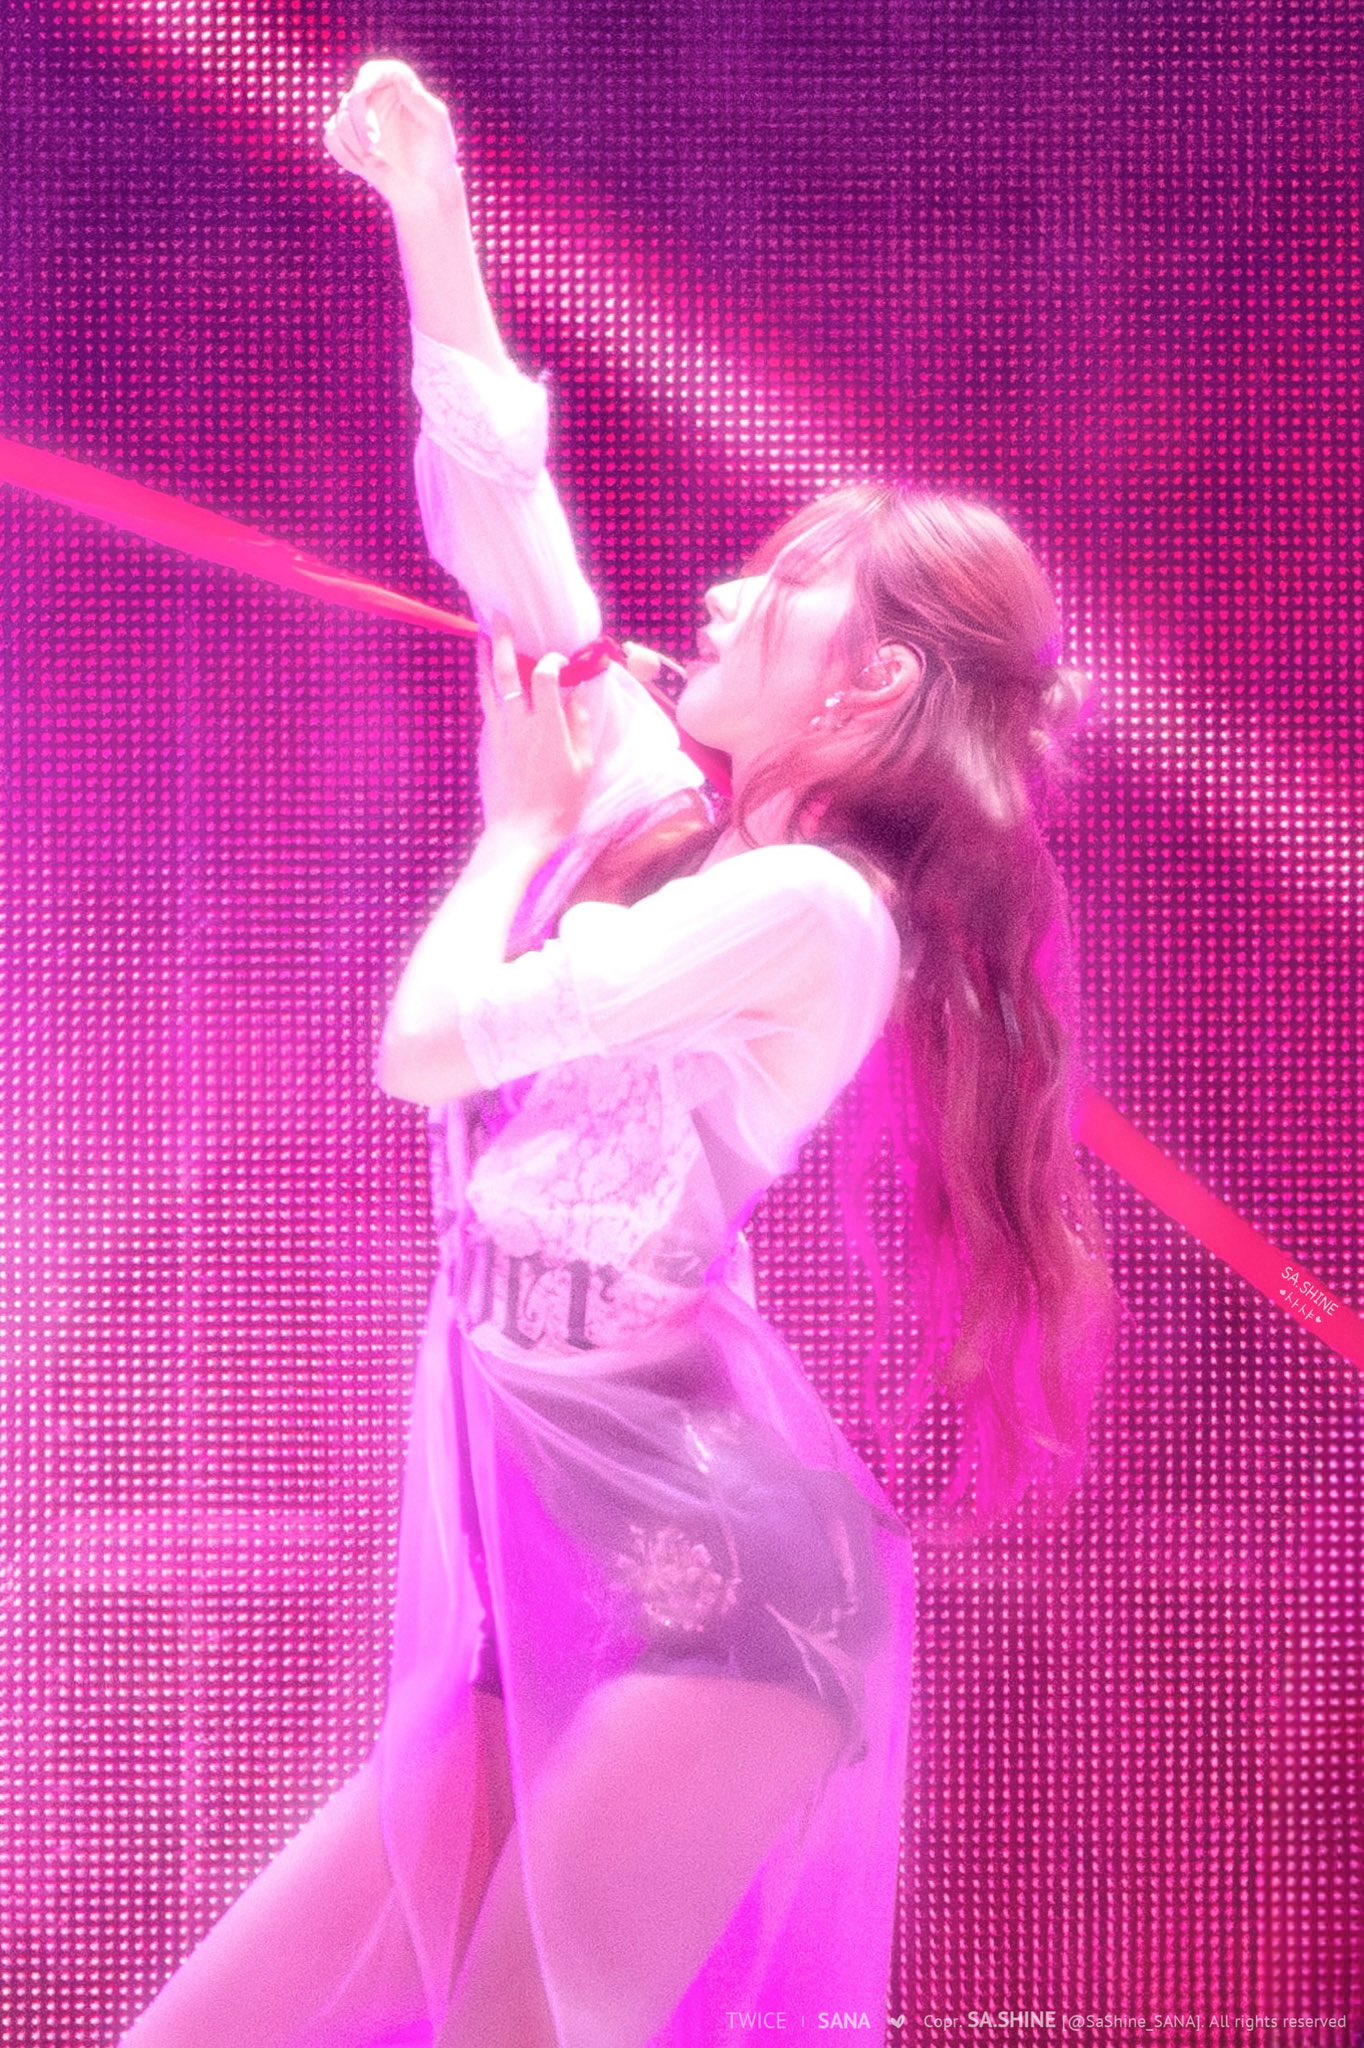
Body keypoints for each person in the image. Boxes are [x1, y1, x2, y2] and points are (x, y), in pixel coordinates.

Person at [119, 58, 1116, 2048]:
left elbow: (425, 1046)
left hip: (725, 1601)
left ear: (871, 681)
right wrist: (429, 208)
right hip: (560, 1574)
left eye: (786, 584)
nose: (724, 591)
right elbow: (517, 539)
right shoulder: (678, 818)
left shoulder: (811, 912)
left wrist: (511, 833)